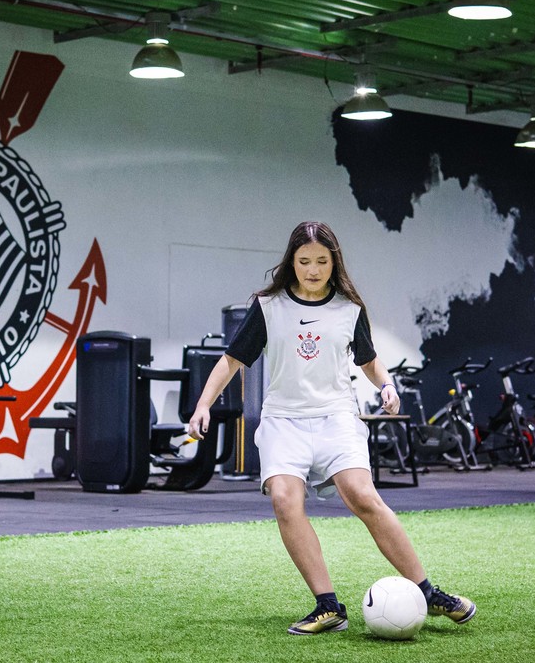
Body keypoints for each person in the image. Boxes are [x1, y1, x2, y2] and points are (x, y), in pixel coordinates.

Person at [187, 221, 476, 635]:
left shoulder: (349, 309)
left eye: (321, 261)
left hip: (336, 416)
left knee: (362, 496)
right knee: (286, 500)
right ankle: (328, 606)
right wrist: (203, 406)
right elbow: (231, 360)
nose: (312, 269)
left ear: (333, 261)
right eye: (304, 261)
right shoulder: (268, 308)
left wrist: (388, 385)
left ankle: (428, 592)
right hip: (284, 420)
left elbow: (368, 358)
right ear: (292, 262)